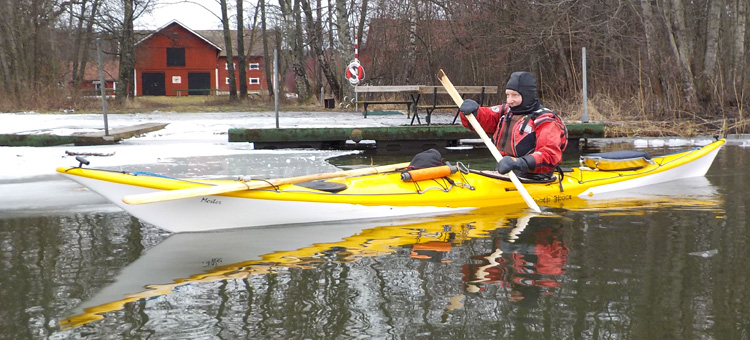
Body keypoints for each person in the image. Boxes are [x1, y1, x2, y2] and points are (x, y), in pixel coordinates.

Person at [459, 71, 568, 179]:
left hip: (535, 178)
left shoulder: (546, 121)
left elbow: (549, 155)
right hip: (505, 173)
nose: (510, 100)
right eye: (508, 95)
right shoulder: (506, 111)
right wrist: (473, 112)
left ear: (527, 96)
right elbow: (484, 118)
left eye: (515, 95)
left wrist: (518, 162)